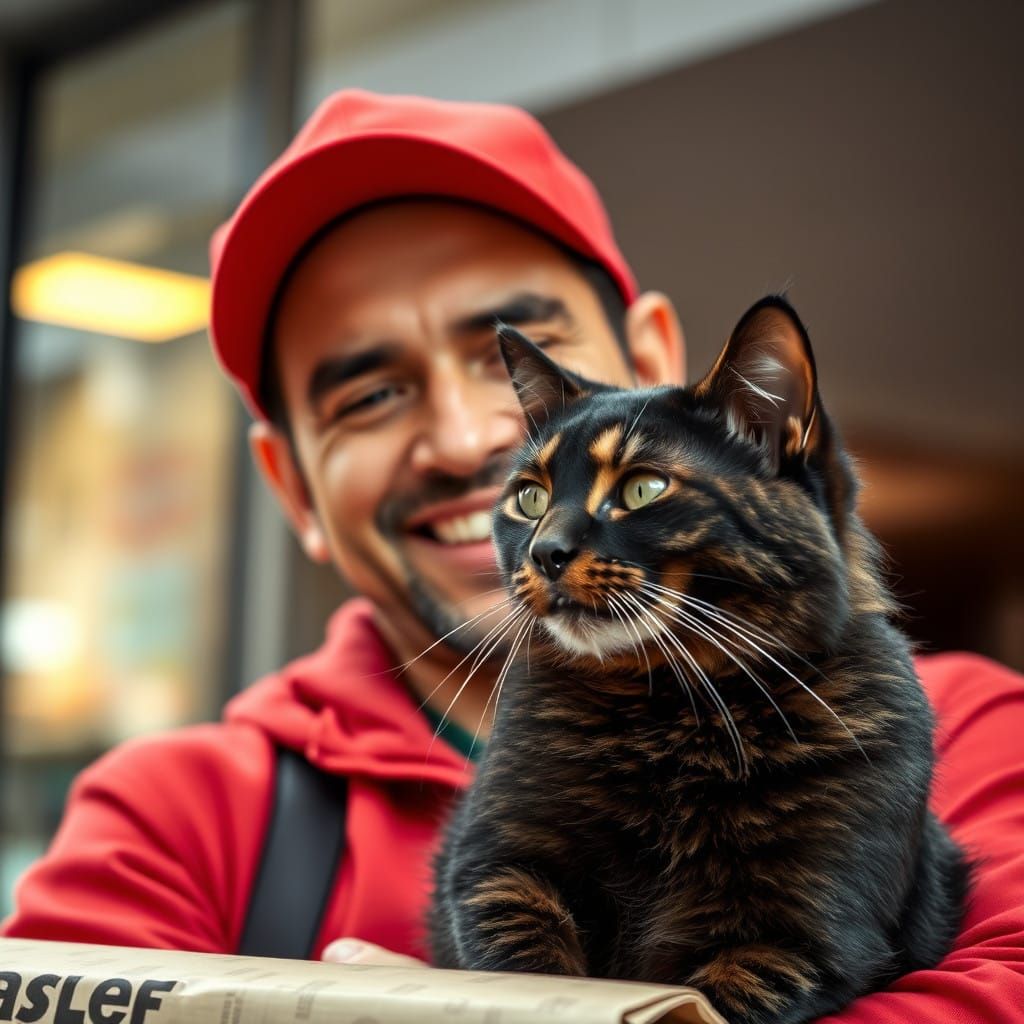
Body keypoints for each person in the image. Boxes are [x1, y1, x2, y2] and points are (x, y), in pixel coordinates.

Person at [3, 90, 1022, 1021]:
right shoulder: (173, 819)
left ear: (653, 360)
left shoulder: (970, 731)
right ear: (293, 489)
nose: (466, 440)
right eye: (370, 395)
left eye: (508, 361)